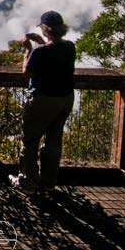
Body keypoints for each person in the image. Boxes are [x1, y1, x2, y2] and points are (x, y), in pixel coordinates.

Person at [10, 10, 76, 195]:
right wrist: (40, 43)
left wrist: (28, 49)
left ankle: (28, 183)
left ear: (46, 29)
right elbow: (52, 58)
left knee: (30, 141)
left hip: (42, 100)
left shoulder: (39, 51)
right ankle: (48, 182)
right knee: (54, 140)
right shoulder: (70, 47)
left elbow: (27, 72)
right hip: (65, 99)